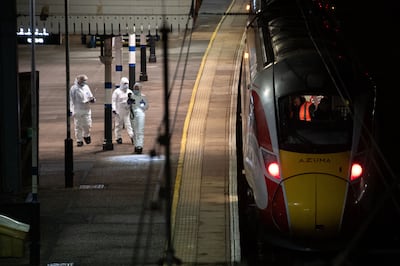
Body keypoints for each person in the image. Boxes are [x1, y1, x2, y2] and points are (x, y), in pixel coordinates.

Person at [69, 74, 96, 147]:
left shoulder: (86, 87)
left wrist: (92, 100)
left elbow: (90, 95)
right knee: (78, 125)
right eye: (83, 80)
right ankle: (79, 140)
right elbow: (71, 100)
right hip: (77, 109)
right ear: (79, 80)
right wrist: (71, 110)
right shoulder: (73, 89)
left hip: (86, 109)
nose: (85, 82)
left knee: (88, 124)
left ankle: (86, 135)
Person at [128, 82, 149, 154]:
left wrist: (141, 105)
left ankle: (140, 146)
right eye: (135, 88)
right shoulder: (131, 97)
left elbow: (146, 106)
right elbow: (126, 107)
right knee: (135, 131)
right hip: (132, 115)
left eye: (137, 88)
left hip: (140, 115)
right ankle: (136, 145)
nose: (136, 90)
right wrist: (129, 103)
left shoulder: (143, 97)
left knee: (140, 130)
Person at [112, 77, 134, 144]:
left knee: (128, 124)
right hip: (119, 110)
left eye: (127, 83)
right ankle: (118, 137)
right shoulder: (117, 92)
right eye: (125, 83)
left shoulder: (129, 92)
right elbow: (113, 101)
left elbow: (133, 100)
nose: (126, 85)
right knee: (118, 125)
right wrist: (114, 109)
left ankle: (132, 136)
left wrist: (131, 103)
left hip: (127, 110)